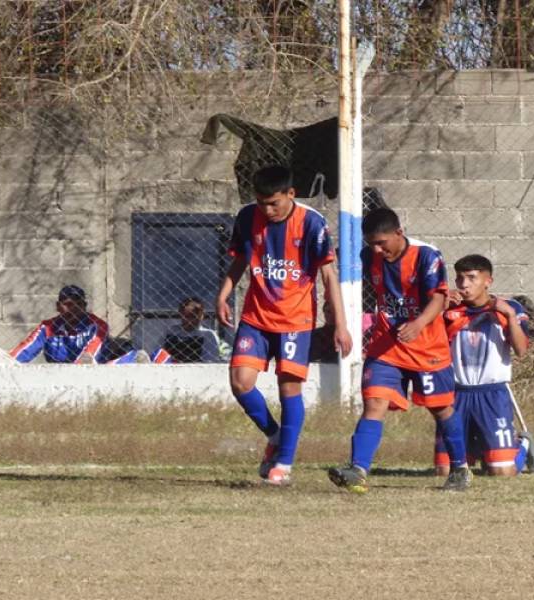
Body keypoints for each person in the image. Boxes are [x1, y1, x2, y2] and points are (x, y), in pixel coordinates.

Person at [217, 164, 352, 486]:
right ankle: (275, 436)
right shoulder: (248, 218)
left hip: (295, 319)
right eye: (262, 203)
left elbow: (328, 274)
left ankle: (284, 465)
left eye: (274, 203)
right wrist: (222, 295)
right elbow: (239, 260)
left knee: (289, 388)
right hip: (256, 316)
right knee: (240, 382)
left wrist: (340, 324)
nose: (268, 210)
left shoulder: (311, 224)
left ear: (291, 194)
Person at [328, 208, 471, 493]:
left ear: (399, 233)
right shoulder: (370, 257)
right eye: (372, 244)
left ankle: (460, 468)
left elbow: (438, 298)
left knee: (441, 408)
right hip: (387, 344)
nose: (378, 250)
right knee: (374, 403)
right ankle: (358, 469)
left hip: (426, 345)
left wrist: (418, 323)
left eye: (382, 242)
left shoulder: (427, 256)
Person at [432, 255, 534, 477]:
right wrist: (438, 312)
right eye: (460, 278)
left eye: (471, 278)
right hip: (456, 394)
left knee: (503, 473)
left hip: (492, 394)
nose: (464, 285)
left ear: (488, 280)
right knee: (444, 471)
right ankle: (479, 450)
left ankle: (522, 445)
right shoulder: (450, 310)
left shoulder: (507, 308)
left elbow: (521, 350)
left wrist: (509, 316)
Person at [11, 285, 143, 364]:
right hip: (57, 375)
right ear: (58, 306)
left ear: (84, 306)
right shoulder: (48, 328)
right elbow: (23, 351)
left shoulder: (97, 325)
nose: (73, 309)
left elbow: (90, 357)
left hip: (95, 373)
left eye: (78, 304)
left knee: (132, 358)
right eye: (68, 304)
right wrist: (6, 363)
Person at [152, 297, 223, 363]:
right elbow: (158, 352)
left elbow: (210, 361)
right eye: (186, 316)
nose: (188, 320)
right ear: (180, 314)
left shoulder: (207, 335)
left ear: (201, 316)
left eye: (192, 316)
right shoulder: (171, 331)